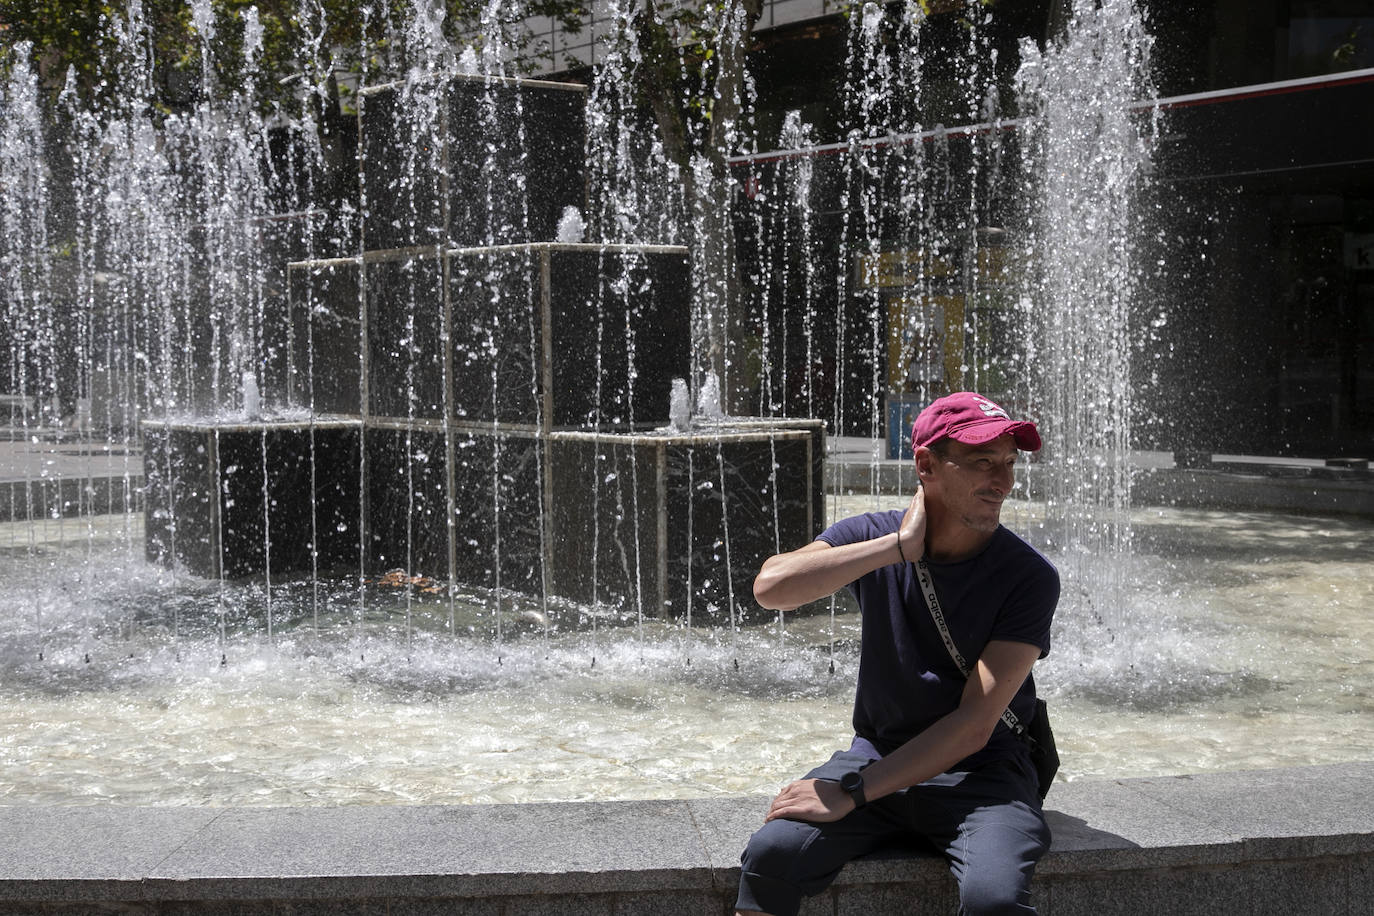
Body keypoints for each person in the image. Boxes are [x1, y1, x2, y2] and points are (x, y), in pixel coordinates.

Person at [735, 391, 1060, 916]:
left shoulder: (1029, 577)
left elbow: (974, 726)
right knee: (772, 855)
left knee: (994, 899)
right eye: (982, 463)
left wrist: (855, 791)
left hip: (984, 775)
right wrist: (894, 549)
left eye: (1008, 464)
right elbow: (771, 588)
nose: (1003, 483)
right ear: (927, 464)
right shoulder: (872, 536)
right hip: (878, 753)